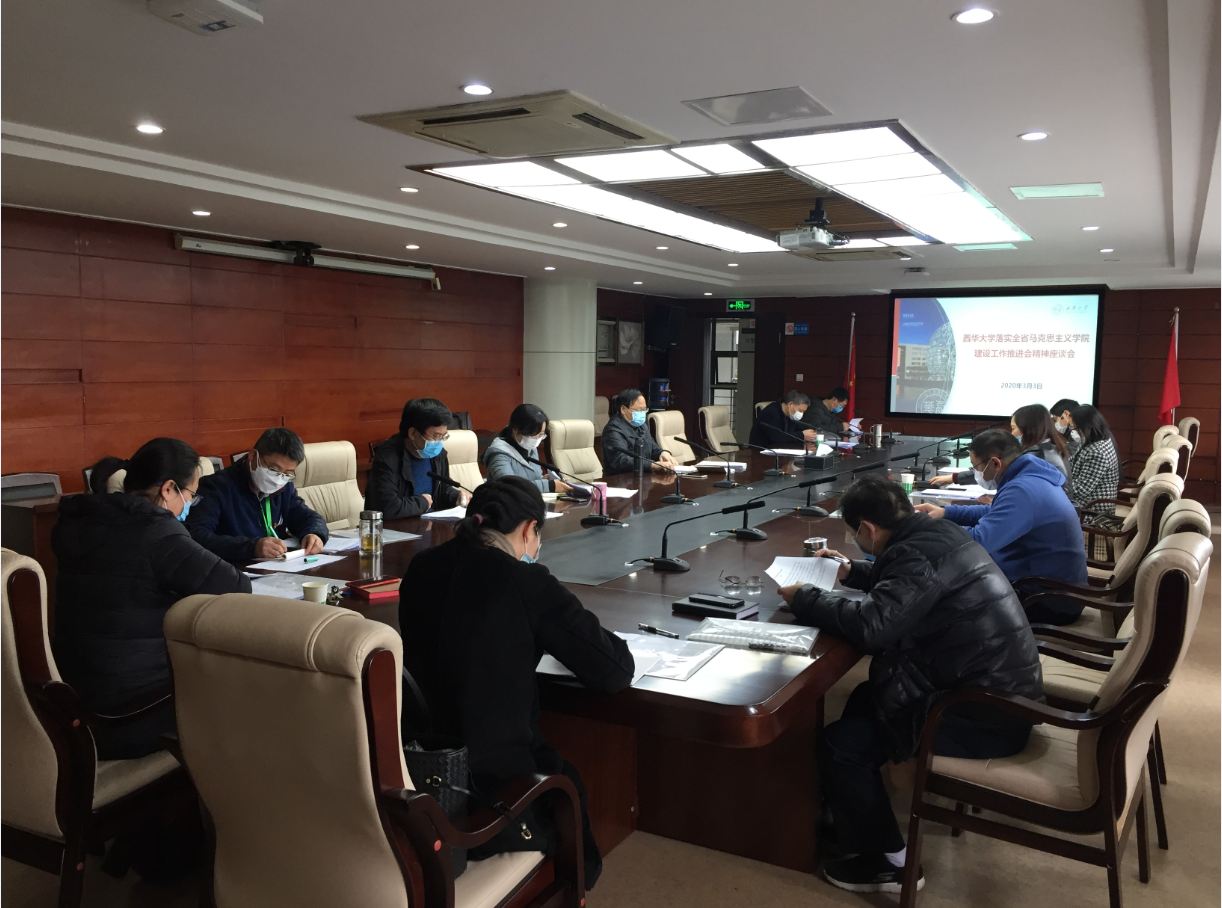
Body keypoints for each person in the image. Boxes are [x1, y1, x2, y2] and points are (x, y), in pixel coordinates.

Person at [779, 473, 1041, 894]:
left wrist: (806, 598)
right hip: (1000, 693)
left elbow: (872, 628)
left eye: (854, 534)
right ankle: (847, 810)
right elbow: (915, 584)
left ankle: (890, 863)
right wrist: (853, 571)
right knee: (865, 697)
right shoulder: (934, 535)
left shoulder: (914, 554)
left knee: (841, 746)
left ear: (867, 528)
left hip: (981, 716)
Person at [399, 477, 633, 887]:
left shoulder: (421, 567)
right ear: (528, 529)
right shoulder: (525, 581)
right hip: (490, 792)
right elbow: (613, 670)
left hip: (419, 771)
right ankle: (573, 886)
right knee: (566, 782)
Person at [53, 438, 251, 759]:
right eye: (191, 495)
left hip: (74, 705)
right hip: (130, 714)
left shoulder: (82, 519)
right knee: (248, 687)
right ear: (169, 489)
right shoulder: (157, 532)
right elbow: (236, 586)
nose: (190, 504)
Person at [915, 430, 1088, 624]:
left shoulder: (1023, 490)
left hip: (1047, 601)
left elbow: (978, 541)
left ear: (996, 463)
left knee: (943, 604)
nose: (976, 473)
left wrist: (927, 532)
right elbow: (994, 512)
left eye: (976, 467)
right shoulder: (1029, 477)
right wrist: (945, 513)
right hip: (1051, 589)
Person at [187, 427, 329, 562]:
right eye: (274, 469)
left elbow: (308, 517)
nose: (278, 479)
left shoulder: (284, 486)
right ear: (253, 456)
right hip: (234, 569)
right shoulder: (216, 487)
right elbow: (196, 536)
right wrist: (252, 547)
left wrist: (314, 533)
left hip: (278, 566)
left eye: (288, 473)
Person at [930, 404, 1072, 497]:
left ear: (1028, 430)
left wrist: (955, 478)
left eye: (1014, 428)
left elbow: (995, 470)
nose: (1012, 433)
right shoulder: (1050, 448)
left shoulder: (1035, 455)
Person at [365, 398, 470, 519]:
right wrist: (422, 503)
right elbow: (387, 507)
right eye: (436, 437)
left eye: (443, 437)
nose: (439, 442)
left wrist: (456, 497)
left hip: (432, 525)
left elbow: (441, 489)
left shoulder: (438, 455)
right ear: (413, 433)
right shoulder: (387, 459)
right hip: (399, 528)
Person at [483, 403, 574, 493]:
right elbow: (510, 487)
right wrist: (549, 486)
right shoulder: (498, 455)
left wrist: (543, 479)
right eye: (532, 435)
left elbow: (529, 480)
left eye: (541, 435)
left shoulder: (530, 447)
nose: (537, 439)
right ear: (515, 430)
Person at [1066, 403, 1122, 525]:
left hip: (1093, 512)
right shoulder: (1092, 440)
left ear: (1087, 427)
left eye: (1075, 429)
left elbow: (1081, 490)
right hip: (1086, 502)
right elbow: (1072, 463)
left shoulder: (1097, 452)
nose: (1072, 432)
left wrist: (1058, 485)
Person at [601, 388, 678, 475]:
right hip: (619, 479)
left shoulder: (642, 426)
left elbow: (653, 448)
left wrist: (662, 453)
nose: (642, 413)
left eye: (644, 410)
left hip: (643, 477)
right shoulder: (613, 430)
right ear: (623, 409)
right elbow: (620, 460)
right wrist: (652, 465)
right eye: (639, 410)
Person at [749, 390, 817, 449]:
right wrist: (802, 435)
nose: (801, 414)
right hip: (761, 451)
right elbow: (777, 437)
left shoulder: (790, 415)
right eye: (800, 410)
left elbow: (797, 430)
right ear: (790, 404)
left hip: (781, 450)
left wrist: (811, 433)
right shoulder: (771, 413)